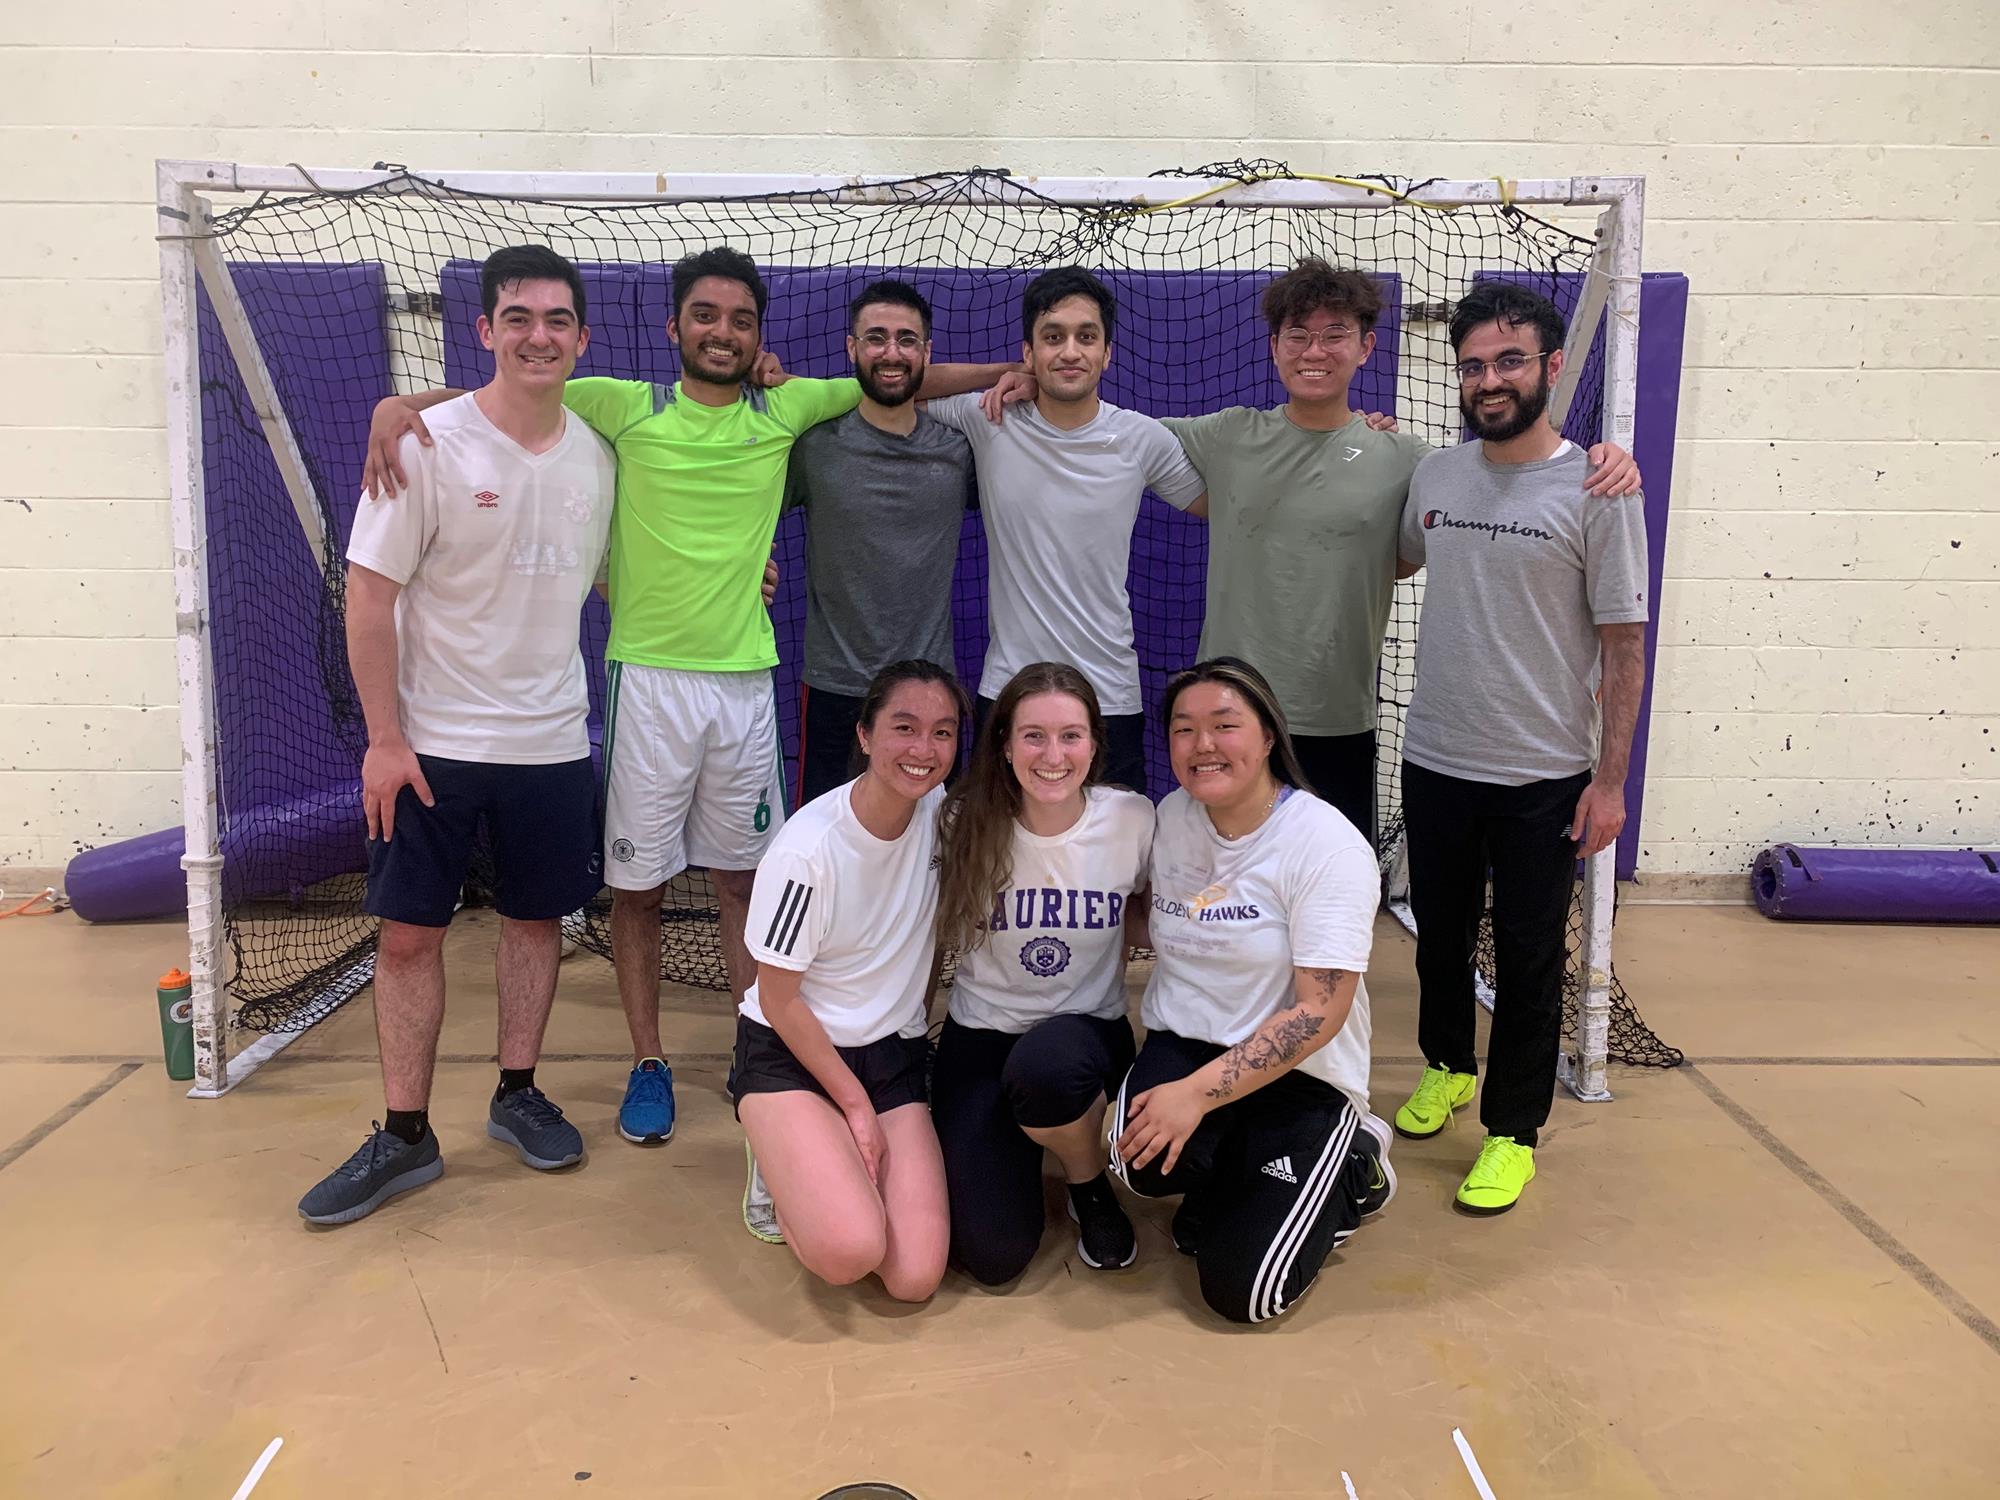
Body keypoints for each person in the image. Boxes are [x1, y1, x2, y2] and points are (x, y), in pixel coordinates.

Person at [360, 249, 1013, 1150]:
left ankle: (761, 1054)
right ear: (674, 329)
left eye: (740, 321)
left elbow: (897, 371)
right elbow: (506, 397)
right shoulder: (621, 405)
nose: (722, 332)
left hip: (746, 684)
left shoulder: (787, 408)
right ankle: (649, 1062)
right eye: (704, 317)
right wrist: (403, 406)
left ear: (759, 338)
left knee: (749, 881)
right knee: (640, 891)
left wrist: (1003, 371)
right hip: (649, 684)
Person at [981, 256, 1641, 843]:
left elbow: (1428, 539)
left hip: (1338, 720)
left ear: (1366, 347)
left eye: (1334, 334)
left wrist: (1598, 458)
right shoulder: (1226, 435)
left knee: (1330, 894)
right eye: (1298, 334)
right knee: (1222, 890)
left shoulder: (1408, 459)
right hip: (1228, 710)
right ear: (1274, 348)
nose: (1315, 350)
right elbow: (1097, 427)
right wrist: (1029, 379)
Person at [299, 246, 613, 1225]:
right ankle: (403, 1135)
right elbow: (368, 595)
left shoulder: (600, 455)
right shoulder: (422, 443)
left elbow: (613, 573)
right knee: (406, 939)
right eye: (516, 317)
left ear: (581, 338)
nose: (537, 335)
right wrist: (384, 739)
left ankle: (518, 1091)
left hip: (552, 745)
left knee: (534, 925)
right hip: (429, 746)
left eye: (556, 319)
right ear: (483, 330)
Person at [1391, 280, 1650, 1216]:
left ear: (1548, 368)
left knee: (1532, 955)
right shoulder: (1436, 476)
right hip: (1436, 756)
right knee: (1437, 940)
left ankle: (1512, 1132)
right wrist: (1375, 445)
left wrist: (1611, 781)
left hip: (1544, 775)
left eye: (1509, 361)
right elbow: (1398, 556)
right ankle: (1448, 1069)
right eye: (1473, 365)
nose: (1488, 379)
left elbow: (1625, 642)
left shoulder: (1600, 488)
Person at [1108, 658, 1391, 1324]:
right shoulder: (1172, 816)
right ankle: (1244, 1174)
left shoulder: (1324, 846)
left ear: (1267, 737)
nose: (1203, 744)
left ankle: (1356, 1167)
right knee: (1138, 1162)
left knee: (1245, 1292)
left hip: (1302, 1071)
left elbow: (1318, 1013)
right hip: (1192, 1042)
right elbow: (1154, 914)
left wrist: (1193, 1097)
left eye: (1224, 725)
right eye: (1184, 729)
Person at [732, 660, 968, 1302]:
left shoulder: (944, 820)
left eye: (943, 732)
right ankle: (774, 1159)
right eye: (904, 727)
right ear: (864, 735)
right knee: (849, 1250)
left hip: (890, 1057)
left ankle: (820, 1154)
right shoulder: (806, 850)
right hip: (793, 1054)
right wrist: (856, 1107)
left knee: (915, 1277)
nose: (923, 750)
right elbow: (778, 1000)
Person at [927, 266, 1208, 793]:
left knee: (1120, 867)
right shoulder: (991, 417)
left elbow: (1227, 507)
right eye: (1053, 338)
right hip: (1009, 689)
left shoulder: (1140, 439)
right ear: (1030, 352)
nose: (1071, 351)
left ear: (1108, 353)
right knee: (989, 858)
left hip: (1108, 695)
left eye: (1087, 337)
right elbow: (900, 384)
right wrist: (1003, 372)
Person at [929, 663, 1154, 1283]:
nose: (1052, 754)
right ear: (1004, 744)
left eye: (1070, 736)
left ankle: (1087, 1184)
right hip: (981, 1035)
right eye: (1033, 735)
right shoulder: (960, 821)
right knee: (991, 1257)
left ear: (1094, 744)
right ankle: (1005, 1139)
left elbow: (1152, 914)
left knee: (1047, 1066)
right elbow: (925, 938)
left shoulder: (1131, 819)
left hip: (1081, 1040)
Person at [786, 279, 977, 805]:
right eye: (876, 338)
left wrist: (1016, 376)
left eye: (906, 339)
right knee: (827, 849)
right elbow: (743, 516)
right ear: (852, 347)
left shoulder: (960, 450)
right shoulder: (813, 445)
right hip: (835, 687)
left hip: (930, 695)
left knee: (934, 852)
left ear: (926, 352)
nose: (891, 353)